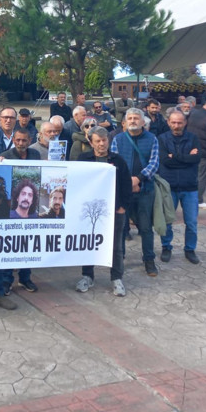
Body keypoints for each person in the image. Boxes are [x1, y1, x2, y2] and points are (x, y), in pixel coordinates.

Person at [75, 126, 131, 296]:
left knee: (116, 246)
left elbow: (126, 185)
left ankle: (116, 278)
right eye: (98, 141)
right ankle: (87, 276)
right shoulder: (83, 159)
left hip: (114, 211)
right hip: (90, 211)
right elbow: (77, 182)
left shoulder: (118, 160)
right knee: (88, 243)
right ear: (91, 142)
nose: (101, 144)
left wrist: (122, 207)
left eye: (104, 140)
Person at [111, 107, 160, 277]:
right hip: (123, 191)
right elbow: (114, 162)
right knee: (121, 228)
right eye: (130, 118)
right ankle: (120, 259)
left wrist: (138, 179)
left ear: (143, 121)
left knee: (145, 227)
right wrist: (128, 182)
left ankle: (149, 259)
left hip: (145, 189)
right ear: (125, 121)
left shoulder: (152, 139)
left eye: (136, 118)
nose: (133, 121)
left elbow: (154, 163)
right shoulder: (118, 139)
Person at [157, 111, 202, 264]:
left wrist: (174, 157)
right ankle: (166, 247)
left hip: (190, 187)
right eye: (174, 122)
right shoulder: (162, 139)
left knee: (191, 222)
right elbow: (165, 160)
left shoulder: (193, 138)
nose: (176, 125)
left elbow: (196, 159)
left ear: (185, 123)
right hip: (169, 186)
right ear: (168, 122)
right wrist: (186, 158)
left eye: (180, 122)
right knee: (167, 221)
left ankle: (190, 249)